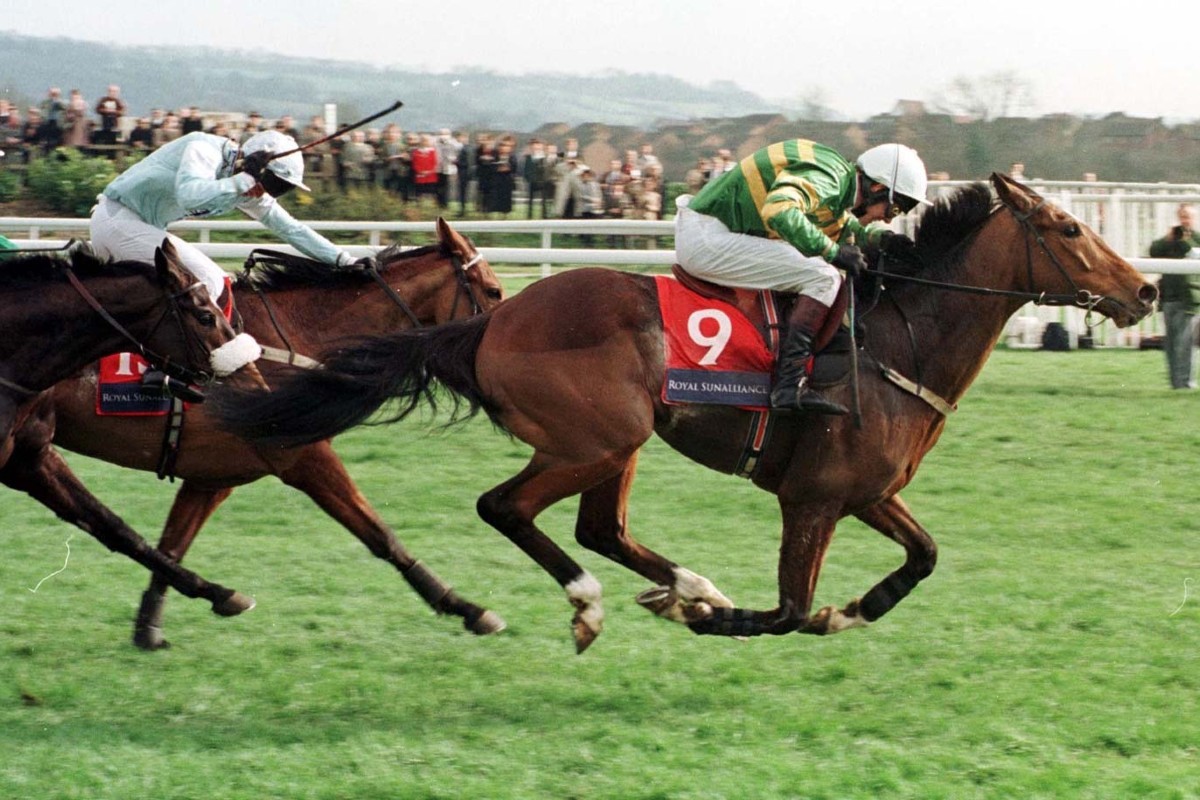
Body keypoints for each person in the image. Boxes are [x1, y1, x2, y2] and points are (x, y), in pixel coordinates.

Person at [675, 140, 929, 414]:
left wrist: (882, 239)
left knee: (819, 267)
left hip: (712, 231)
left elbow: (836, 225)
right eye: (892, 210)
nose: (889, 219)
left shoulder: (836, 178)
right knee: (824, 276)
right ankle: (789, 384)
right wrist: (832, 252)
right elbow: (780, 210)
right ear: (876, 187)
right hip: (707, 239)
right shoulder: (829, 178)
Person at [89, 129, 367, 311]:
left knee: (217, 280)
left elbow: (290, 228)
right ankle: (165, 366)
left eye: (279, 188)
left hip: (139, 227)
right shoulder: (203, 149)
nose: (266, 192)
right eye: (270, 182)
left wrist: (344, 259)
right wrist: (243, 179)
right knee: (209, 281)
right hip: (116, 220)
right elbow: (188, 194)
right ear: (251, 162)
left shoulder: (244, 185)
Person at [1150, 203, 1200, 389]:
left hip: (1189, 300)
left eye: (1188, 216)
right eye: (1182, 216)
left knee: (1185, 345)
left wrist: (1183, 240)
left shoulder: (1196, 238)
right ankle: (1175, 382)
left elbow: (1189, 252)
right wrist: (1168, 238)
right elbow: (1154, 251)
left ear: (1193, 219)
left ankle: (1185, 382)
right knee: (1171, 344)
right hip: (1169, 299)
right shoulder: (1170, 239)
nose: (1185, 220)